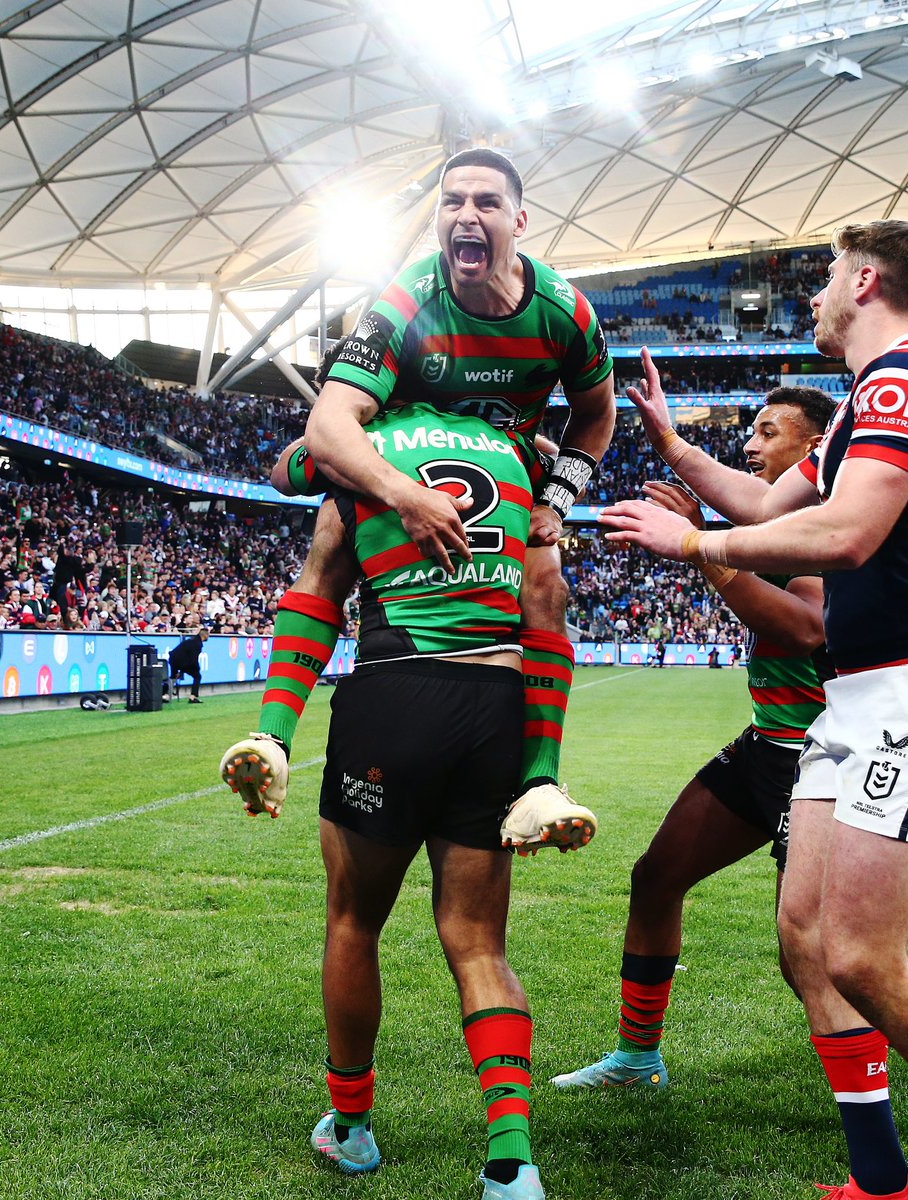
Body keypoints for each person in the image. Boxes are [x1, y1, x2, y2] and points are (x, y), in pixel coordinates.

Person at [599, 220, 908, 1200]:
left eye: (825, 277)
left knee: (864, 955)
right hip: (860, 699)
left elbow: (850, 532)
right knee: (811, 941)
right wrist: (673, 455)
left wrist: (695, 550)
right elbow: (767, 503)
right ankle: (881, 1181)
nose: (813, 295)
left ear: (865, 282)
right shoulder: (869, 405)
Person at [222, 146, 615, 852]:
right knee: (316, 504)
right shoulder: (407, 296)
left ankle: (538, 784)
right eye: (451, 202)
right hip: (400, 446)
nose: (466, 215)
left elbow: (596, 414)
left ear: (519, 221)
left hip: (500, 461)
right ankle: (271, 738)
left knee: (546, 578)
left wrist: (555, 501)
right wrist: (401, 492)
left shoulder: (565, 312)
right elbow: (332, 419)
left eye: (485, 203)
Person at [234, 402, 547, 1200]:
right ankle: (510, 1162)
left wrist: (274, 732)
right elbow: (547, 605)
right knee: (480, 943)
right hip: (495, 702)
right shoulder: (517, 449)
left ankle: (350, 1128)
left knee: (353, 920)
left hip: (392, 690)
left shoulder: (354, 445)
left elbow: (314, 578)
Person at [552, 386, 836, 1092]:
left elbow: (805, 626)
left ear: (812, 449)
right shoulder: (760, 525)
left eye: (769, 433)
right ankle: (637, 1057)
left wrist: (698, 548)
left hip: (826, 757)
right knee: (656, 877)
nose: (750, 443)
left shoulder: (828, 520)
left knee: (819, 958)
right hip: (769, 744)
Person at [168, 627, 209, 702]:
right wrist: (197, 668)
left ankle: (164, 694)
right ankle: (193, 696)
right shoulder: (197, 644)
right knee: (197, 676)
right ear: (205, 635)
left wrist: (181, 670)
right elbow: (193, 659)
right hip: (181, 662)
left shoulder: (191, 640)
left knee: (173, 677)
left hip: (174, 659)